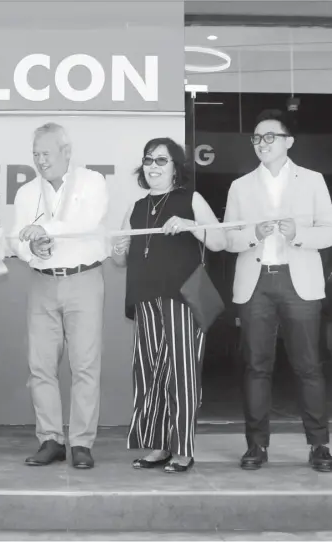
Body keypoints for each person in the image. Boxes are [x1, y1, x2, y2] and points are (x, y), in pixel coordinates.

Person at [224, 109, 332, 473]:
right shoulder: (240, 186)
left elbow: (329, 232)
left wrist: (296, 234)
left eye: (269, 137)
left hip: (299, 280)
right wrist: (253, 234)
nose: (261, 144)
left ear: (289, 142)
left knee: (308, 366)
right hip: (256, 283)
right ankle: (256, 445)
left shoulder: (313, 180)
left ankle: (319, 445)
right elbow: (228, 238)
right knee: (256, 366)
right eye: (256, 138)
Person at [111, 138, 226, 473]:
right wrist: (119, 248)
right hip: (145, 299)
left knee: (183, 375)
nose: (153, 166)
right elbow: (120, 261)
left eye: (162, 160)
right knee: (149, 373)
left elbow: (220, 242)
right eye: (148, 160)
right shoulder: (134, 207)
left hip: (182, 299)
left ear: (176, 167)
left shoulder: (191, 199)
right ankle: (158, 446)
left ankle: (183, 449)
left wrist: (193, 225)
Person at [10, 123, 107, 469]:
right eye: (35, 154)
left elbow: (86, 221)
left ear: (66, 152)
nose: (39, 160)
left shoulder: (92, 182)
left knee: (85, 365)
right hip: (41, 281)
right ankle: (50, 439)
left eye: (46, 153)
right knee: (40, 366)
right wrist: (31, 247)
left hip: (84, 279)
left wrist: (44, 229)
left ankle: (81, 443)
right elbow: (15, 241)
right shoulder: (25, 193)